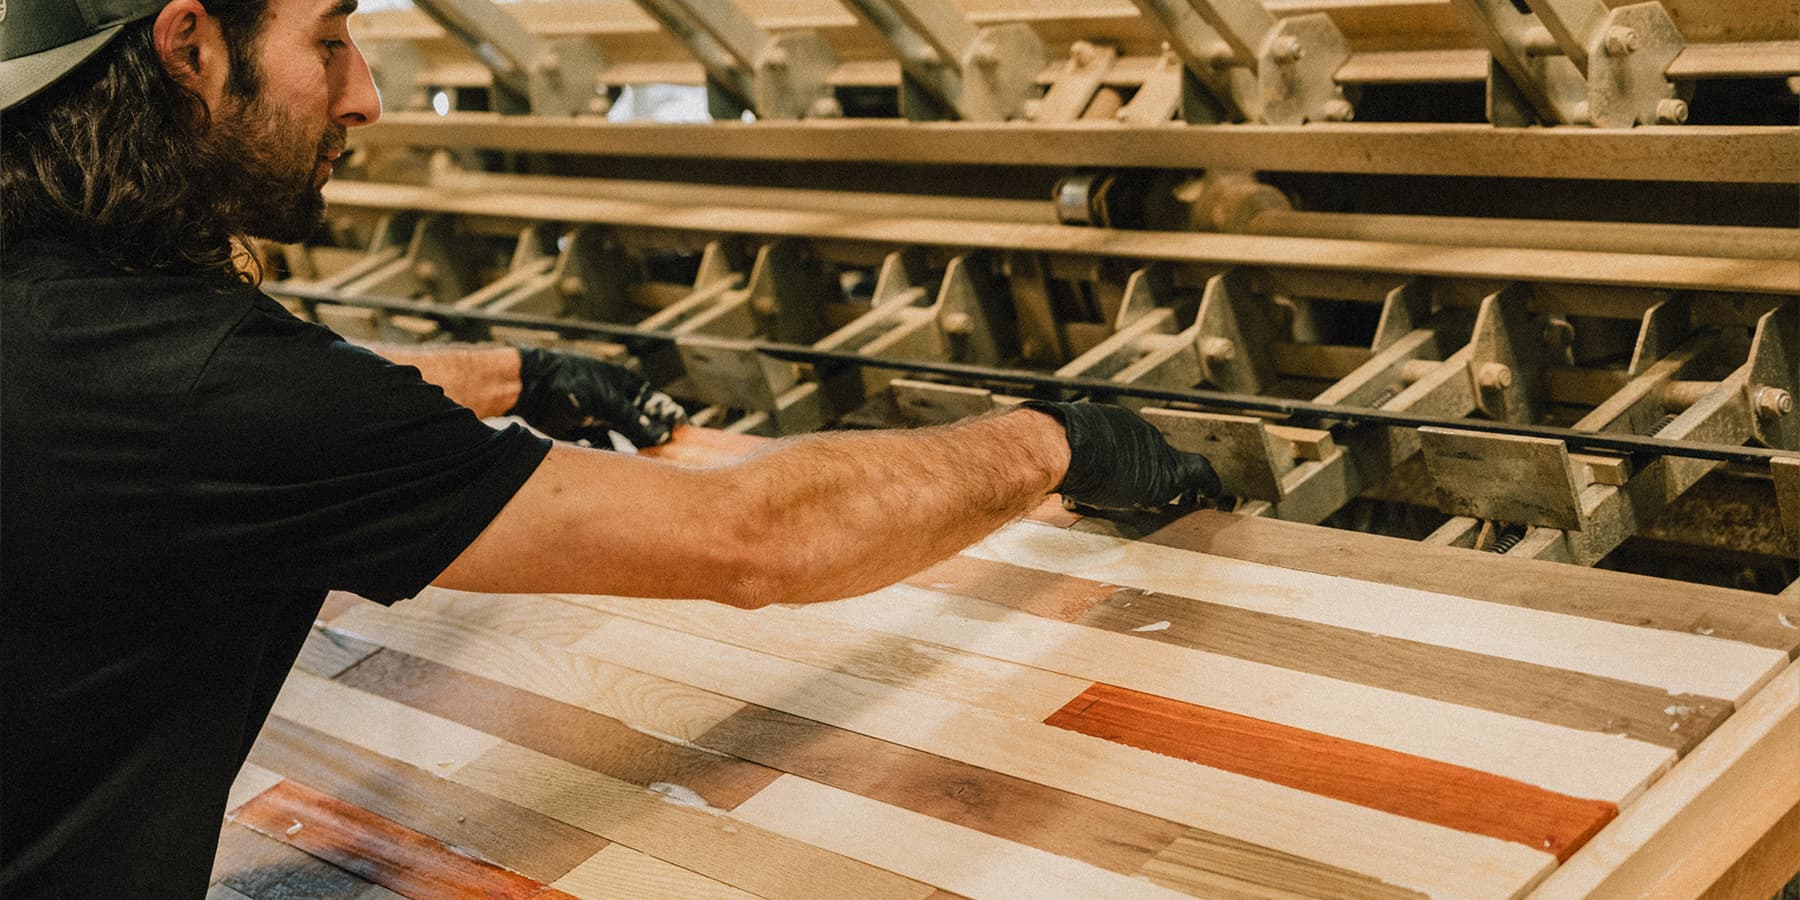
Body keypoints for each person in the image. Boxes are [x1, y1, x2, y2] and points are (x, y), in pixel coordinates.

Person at [0, 0, 1223, 896]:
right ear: (189, 47)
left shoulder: (73, 315)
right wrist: (1054, 439)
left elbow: (221, 409)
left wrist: (517, 377)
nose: (365, 93)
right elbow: (757, 540)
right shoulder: (204, 389)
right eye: (329, 39)